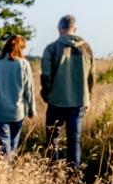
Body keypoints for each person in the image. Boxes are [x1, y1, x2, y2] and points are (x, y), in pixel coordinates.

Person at [40, 14, 94, 170]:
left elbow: (46, 76)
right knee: (74, 140)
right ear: (74, 29)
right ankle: (73, 177)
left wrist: (47, 94)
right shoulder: (86, 48)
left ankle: (52, 174)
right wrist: (88, 98)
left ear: (59, 29)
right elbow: (91, 77)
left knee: (52, 139)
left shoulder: (51, 48)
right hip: (79, 101)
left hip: (56, 101)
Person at [0, 35, 36, 159]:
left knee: (3, 144)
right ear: (21, 48)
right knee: (12, 144)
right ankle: (9, 170)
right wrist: (31, 109)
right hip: (17, 112)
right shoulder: (24, 64)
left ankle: (6, 170)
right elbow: (29, 88)